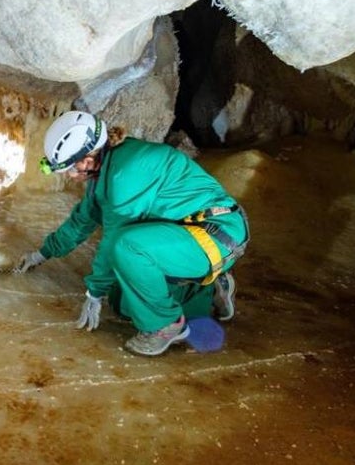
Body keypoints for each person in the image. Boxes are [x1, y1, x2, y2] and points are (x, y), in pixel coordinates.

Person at [16, 110, 248, 356]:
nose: (67, 175)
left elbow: (114, 240)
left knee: (128, 248)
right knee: (124, 302)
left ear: (86, 159)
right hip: (185, 233)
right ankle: (210, 290)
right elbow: (82, 221)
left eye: (68, 168)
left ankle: (165, 325)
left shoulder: (125, 173)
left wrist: (94, 292)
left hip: (216, 233)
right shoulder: (105, 172)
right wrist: (42, 253)